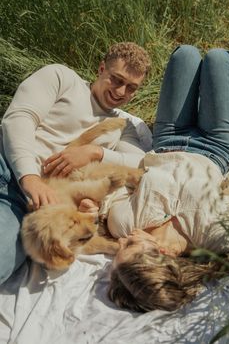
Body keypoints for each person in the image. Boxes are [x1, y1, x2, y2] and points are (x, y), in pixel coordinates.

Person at [0, 42, 151, 285]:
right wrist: (30, 177)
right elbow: (19, 119)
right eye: (116, 79)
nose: (121, 92)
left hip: (30, 209)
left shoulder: (122, 127)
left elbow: (143, 162)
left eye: (131, 88)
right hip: (6, 165)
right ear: (101, 68)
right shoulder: (62, 77)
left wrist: (95, 153)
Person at [105, 45, 229, 312]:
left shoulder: (123, 223)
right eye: (128, 245)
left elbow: (118, 184)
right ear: (162, 252)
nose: (120, 241)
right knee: (218, 58)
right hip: (216, 145)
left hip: (168, 136)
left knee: (184, 54)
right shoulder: (214, 236)